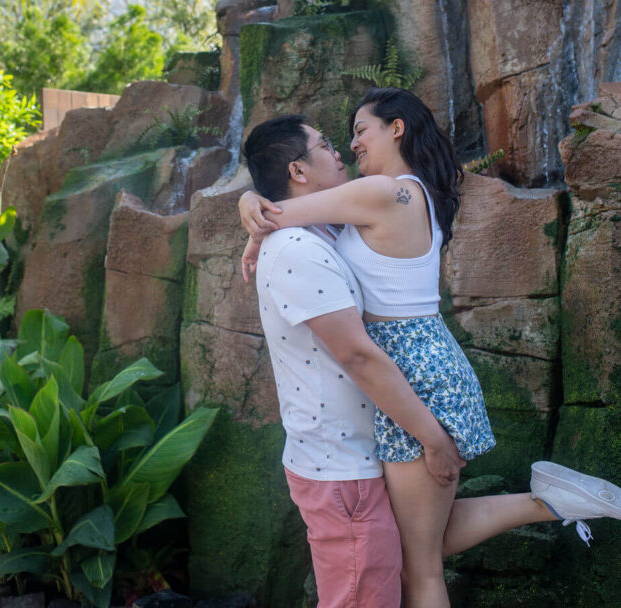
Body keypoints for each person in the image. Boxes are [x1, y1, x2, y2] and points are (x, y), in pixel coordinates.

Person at [240, 91, 621, 608]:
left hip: (416, 372)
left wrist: (252, 215)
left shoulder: (383, 192)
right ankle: (552, 501)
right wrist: (254, 210)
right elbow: (283, 212)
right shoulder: (403, 193)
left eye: (360, 131)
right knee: (415, 544)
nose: (351, 146)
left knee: (422, 572)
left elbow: (277, 211)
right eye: (340, 138)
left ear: (396, 128)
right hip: (422, 365)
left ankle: (551, 502)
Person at [241, 114, 465, 608]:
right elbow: (361, 357)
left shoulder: (322, 228)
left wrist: (251, 207)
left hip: (360, 459)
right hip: (340, 470)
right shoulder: (298, 248)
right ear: (298, 171)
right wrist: (433, 438)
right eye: (324, 145)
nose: (340, 149)